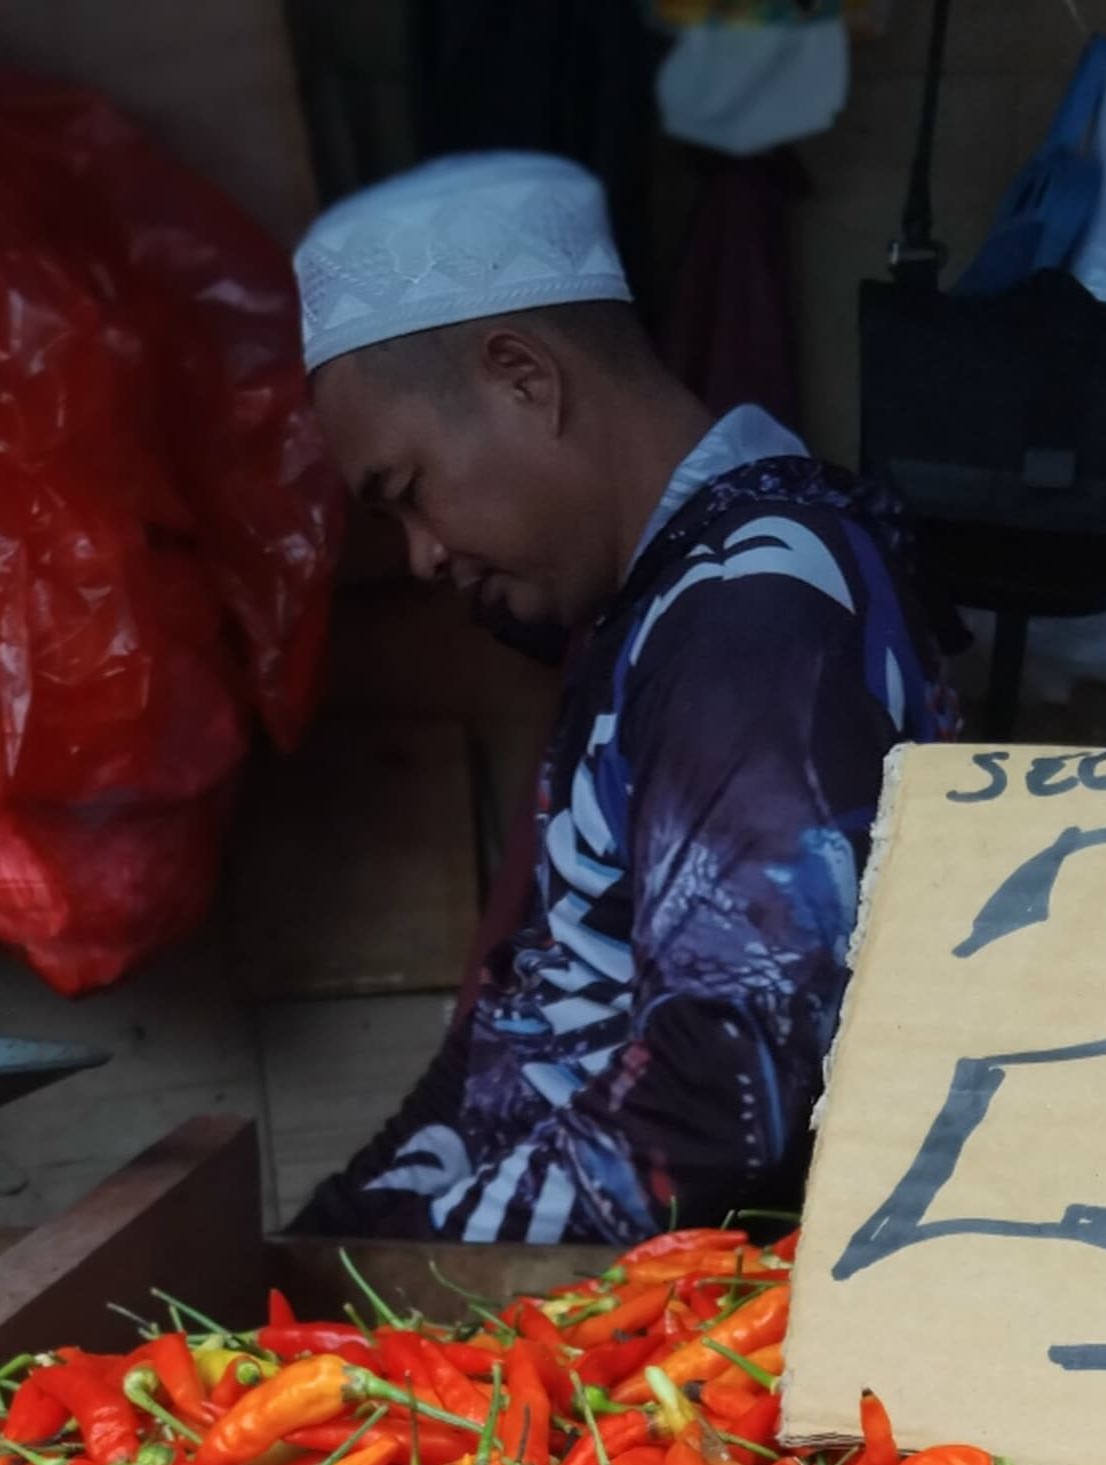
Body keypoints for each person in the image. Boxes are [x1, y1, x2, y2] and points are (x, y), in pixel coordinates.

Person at [286, 151, 953, 1243]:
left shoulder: (754, 616)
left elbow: (726, 1093)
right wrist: (328, 1246)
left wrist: (396, 1291)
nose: (419, 556)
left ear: (523, 376)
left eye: (407, 492)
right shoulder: (675, 599)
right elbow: (524, 1024)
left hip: (674, 1336)